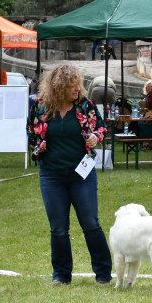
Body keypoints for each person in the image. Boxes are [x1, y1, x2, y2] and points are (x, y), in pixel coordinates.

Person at [26, 64, 112, 285]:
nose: (77, 88)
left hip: (81, 174)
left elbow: (101, 128)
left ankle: (103, 273)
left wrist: (95, 137)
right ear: (59, 87)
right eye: (72, 85)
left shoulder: (86, 105)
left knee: (90, 223)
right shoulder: (40, 107)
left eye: (78, 84)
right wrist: (39, 148)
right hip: (51, 175)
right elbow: (31, 133)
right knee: (58, 228)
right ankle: (61, 275)